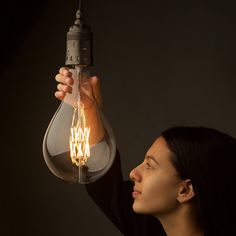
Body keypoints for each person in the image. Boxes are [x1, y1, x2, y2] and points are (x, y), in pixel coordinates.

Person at [54, 67, 236, 236]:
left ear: (185, 190)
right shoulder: (151, 227)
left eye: (149, 165)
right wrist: (89, 108)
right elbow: (105, 187)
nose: (133, 173)